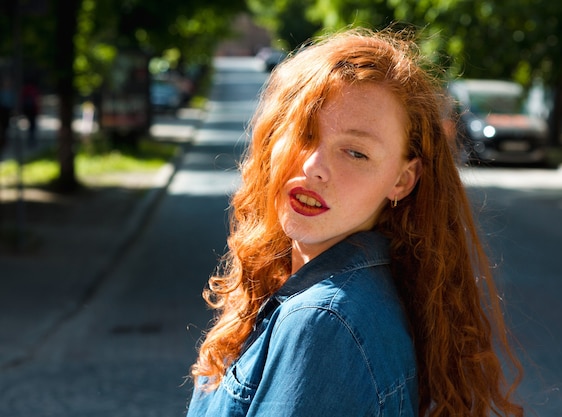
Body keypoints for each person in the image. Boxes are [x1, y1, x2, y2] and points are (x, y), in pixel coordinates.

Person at [187, 27, 523, 417]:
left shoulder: (324, 322)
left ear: (402, 179)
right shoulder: (363, 293)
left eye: (355, 153)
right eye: (305, 133)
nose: (314, 168)